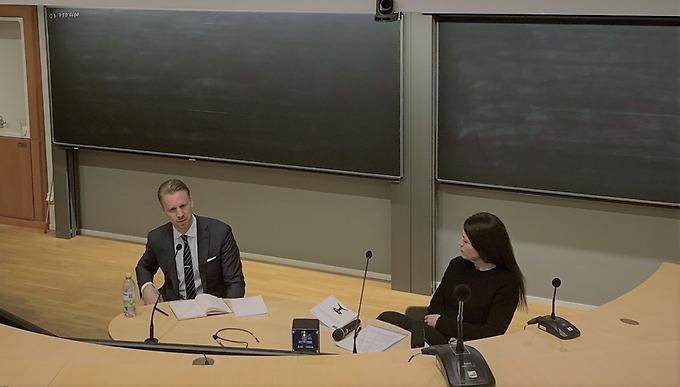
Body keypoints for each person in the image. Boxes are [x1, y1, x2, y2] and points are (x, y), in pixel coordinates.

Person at [380, 212, 526, 345]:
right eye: (462, 237)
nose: (459, 243)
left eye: (466, 241)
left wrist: (443, 324)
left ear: (484, 247)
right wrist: (442, 327)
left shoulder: (508, 283)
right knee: (386, 318)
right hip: (440, 332)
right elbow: (436, 304)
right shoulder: (457, 264)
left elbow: (491, 332)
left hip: (470, 342)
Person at [136, 179, 246, 304]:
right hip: (174, 306)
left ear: (191, 202)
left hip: (212, 307)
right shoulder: (157, 238)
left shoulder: (220, 233)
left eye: (183, 206)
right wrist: (147, 287)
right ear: (163, 210)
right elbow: (143, 267)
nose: (180, 214)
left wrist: (228, 313)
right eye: (172, 209)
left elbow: (235, 282)